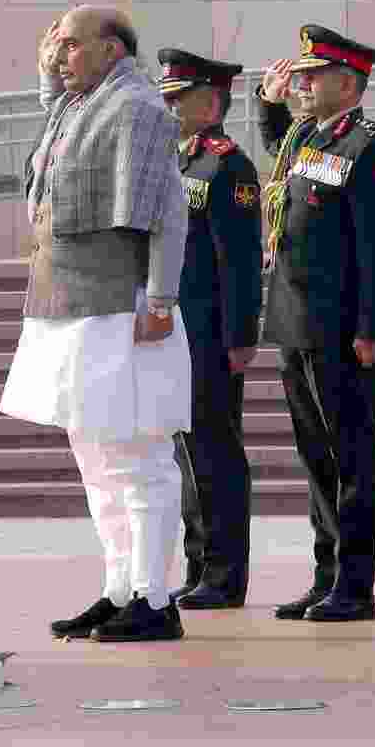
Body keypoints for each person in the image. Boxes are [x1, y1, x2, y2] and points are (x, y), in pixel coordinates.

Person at [0, 6, 191, 642]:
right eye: (55, 45)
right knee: (96, 461)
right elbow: (48, 124)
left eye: (72, 45)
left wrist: (160, 301)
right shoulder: (76, 105)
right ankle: (118, 588)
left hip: (124, 305)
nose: (59, 56)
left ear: (113, 50)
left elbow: (166, 213)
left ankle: (156, 599)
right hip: (69, 303)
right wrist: (51, 70)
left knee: (139, 459)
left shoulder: (137, 109)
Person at [256, 25, 375, 622]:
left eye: (314, 76)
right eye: (302, 76)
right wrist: (267, 102)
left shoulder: (368, 148)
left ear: (349, 81)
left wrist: (372, 327)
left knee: (351, 457)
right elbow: (279, 154)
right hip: (295, 317)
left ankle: (355, 583)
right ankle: (326, 573)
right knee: (317, 456)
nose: (303, 84)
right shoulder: (308, 137)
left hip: (340, 325)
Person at [156, 48, 263, 611]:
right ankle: (200, 563)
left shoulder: (228, 166)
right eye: (167, 97)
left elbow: (240, 262)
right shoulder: (178, 161)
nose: (171, 108)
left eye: (181, 98)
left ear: (213, 101)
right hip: (175, 331)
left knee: (217, 451)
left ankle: (225, 573)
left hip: (212, 334)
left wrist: (242, 336)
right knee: (187, 453)